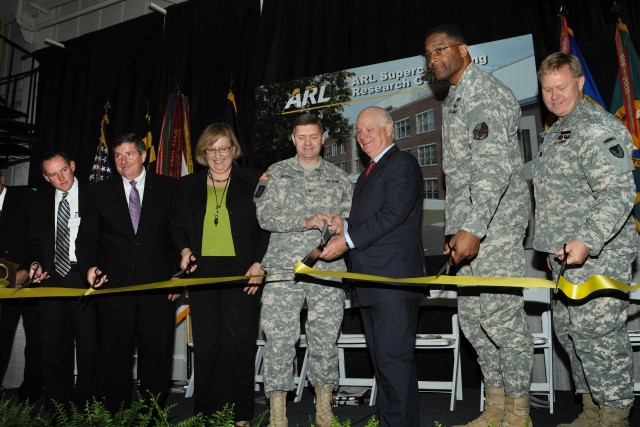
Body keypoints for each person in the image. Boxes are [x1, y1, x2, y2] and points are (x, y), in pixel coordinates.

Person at [424, 24, 533, 426]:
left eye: (440, 50)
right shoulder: (454, 98)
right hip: (469, 230)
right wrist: (456, 230)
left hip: (494, 228)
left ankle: (519, 416)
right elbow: (459, 176)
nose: (434, 59)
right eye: (429, 54)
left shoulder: (484, 93)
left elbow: (493, 168)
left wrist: (475, 227)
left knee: (504, 323)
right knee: (474, 321)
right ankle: (496, 409)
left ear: (464, 50)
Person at [534, 52, 638, 427]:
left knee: (597, 335)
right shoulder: (559, 130)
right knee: (569, 333)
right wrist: (551, 246)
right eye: (547, 89)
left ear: (579, 84)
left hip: (599, 254)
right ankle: (591, 410)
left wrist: (587, 241)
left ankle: (614, 415)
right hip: (564, 258)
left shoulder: (596, 127)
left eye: (561, 87)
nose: (554, 96)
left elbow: (618, 193)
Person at [322, 106, 427, 427]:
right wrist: (346, 225)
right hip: (371, 283)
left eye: (370, 129)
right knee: (389, 365)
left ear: (390, 130)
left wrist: (347, 241)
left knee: (393, 363)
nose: (363, 136)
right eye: (359, 131)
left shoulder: (402, 164)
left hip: (392, 283)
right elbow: (373, 219)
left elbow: (392, 214)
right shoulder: (370, 173)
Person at [253, 113, 352, 427]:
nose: (307, 143)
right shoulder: (275, 173)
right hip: (284, 270)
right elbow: (263, 216)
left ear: (323, 138)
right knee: (280, 340)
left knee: (325, 339)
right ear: (292, 139)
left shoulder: (340, 177)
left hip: (328, 267)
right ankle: (278, 415)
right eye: (301, 136)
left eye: (313, 136)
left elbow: (351, 219)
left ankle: (324, 411)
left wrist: (340, 224)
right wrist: (304, 221)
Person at [170, 123, 269, 426]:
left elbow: (268, 225)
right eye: (211, 149)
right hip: (202, 274)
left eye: (223, 148)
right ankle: (207, 414)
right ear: (203, 153)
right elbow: (176, 224)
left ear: (233, 149)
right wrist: (185, 250)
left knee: (239, 345)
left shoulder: (254, 181)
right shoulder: (188, 185)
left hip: (243, 273)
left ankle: (241, 416)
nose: (217, 155)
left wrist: (260, 263)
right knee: (207, 345)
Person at [76, 133, 180, 413]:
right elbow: (87, 240)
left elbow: (178, 235)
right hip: (112, 291)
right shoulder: (98, 192)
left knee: (156, 358)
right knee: (113, 358)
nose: (123, 161)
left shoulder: (170, 188)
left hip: (158, 291)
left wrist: (178, 277)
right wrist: (89, 267)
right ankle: (117, 414)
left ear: (143, 155)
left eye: (129, 154)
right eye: (118, 156)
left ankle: (150, 415)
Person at [27, 151, 97, 410]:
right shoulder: (39, 202)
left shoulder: (95, 196)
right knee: (54, 348)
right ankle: (59, 408)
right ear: (46, 178)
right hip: (51, 280)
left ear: (73, 166)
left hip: (84, 278)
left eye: (64, 170)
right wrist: (35, 263)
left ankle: (86, 405)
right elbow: (35, 242)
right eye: (53, 175)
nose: (61, 178)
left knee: (89, 346)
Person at [0, 171, 43, 403]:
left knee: (36, 340)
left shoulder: (27, 199)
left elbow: (39, 236)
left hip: (32, 281)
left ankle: (31, 396)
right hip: (2, 288)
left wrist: (27, 270)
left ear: (2, 179)